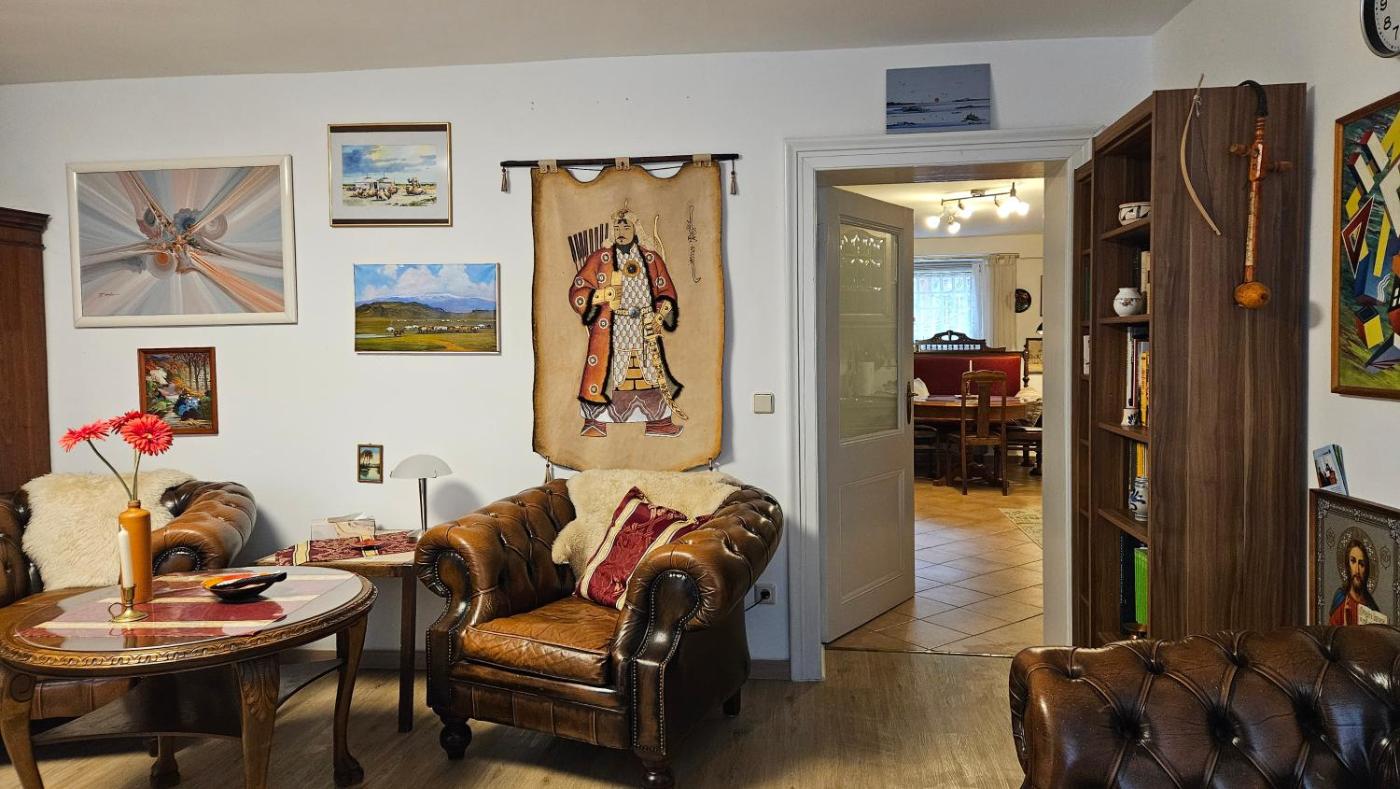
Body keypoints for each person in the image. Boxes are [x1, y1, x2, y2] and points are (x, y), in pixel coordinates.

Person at [569, 207, 684, 438]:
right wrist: (603, 295)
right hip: (612, 327)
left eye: (626, 226)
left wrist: (658, 317)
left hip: (644, 326)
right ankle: (596, 423)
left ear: (635, 229)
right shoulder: (600, 259)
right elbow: (578, 291)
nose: (621, 231)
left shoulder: (651, 258)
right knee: (608, 373)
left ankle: (659, 424)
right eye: (617, 227)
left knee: (649, 372)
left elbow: (667, 293)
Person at [1329, 538, 1381, 625]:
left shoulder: (1372, 607)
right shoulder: (1340, 599)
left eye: (1362, 564)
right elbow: (1330, 631)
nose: (1357, 570)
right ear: (1347, 565)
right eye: (1353, 561)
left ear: (1366, 570)